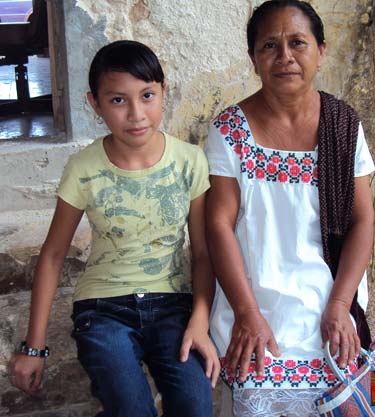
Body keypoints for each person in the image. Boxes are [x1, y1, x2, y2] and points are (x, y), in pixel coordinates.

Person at [9, 40, 219, 417]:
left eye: (147, 95)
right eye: (118, 100)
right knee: (131, 408)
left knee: (196, 404)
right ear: (95, 104)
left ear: (163, 91)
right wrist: (33, 347)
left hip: (173, 306)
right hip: (103, 309)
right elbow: (53, 255)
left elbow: (203, 254)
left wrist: (200, 322)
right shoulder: (84, 168)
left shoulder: (189, 161)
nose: (136, 114)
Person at [204, 1, 375, 416]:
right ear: (253, 58)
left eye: (298, 42)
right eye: (269, 46)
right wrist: (247, 313)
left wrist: (341, 304)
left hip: (328, 296)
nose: (285, 57)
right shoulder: (230, 130)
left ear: (321, 50)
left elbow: (362, 220)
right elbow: (218, 224)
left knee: (347, 398)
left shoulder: (343, 126)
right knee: (260, 392)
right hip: (253, 296)